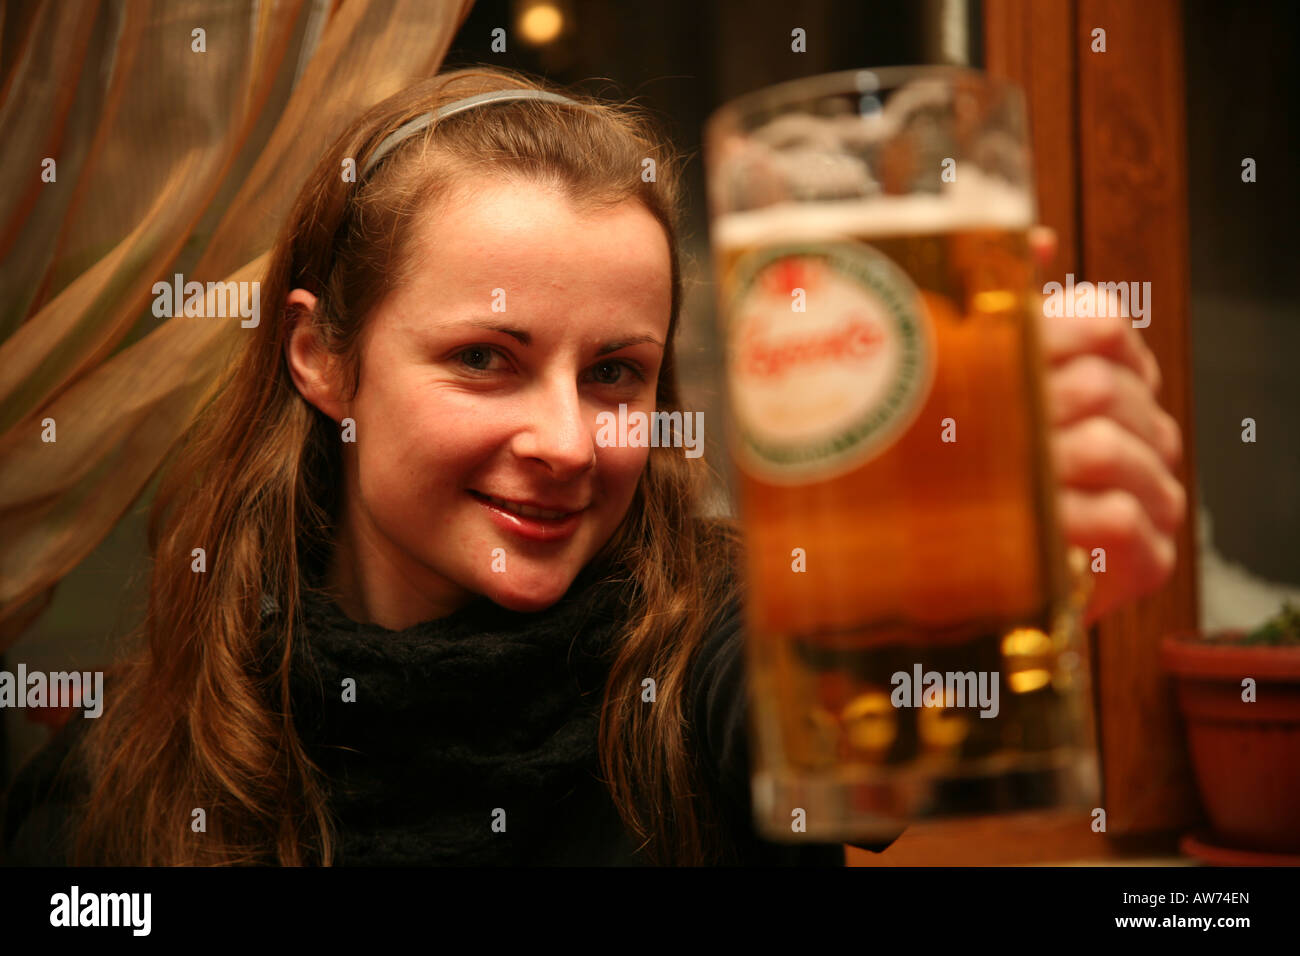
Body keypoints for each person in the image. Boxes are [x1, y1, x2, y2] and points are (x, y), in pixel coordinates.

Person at [2, 64, 1186, 867]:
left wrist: (981, 571)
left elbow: (833, 719)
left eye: (617, 373)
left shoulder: (706, 652)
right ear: (323, 356)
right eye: (484, 357)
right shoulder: (123, 774)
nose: (568, 442)